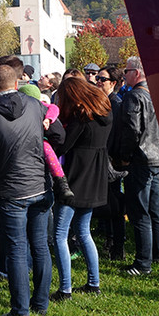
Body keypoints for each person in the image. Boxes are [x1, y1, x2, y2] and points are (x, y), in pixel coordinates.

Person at [0, 64, 52, 316]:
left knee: (17, 250)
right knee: (39, 245)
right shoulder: (34, 104)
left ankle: (21, 312)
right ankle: (39, 303)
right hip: (38, 183)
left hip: (11, 188)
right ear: (17, 83)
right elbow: (57, 134)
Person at [50, 77, 112, 300]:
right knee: (84, 232)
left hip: (76, 179)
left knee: (59, 235)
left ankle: (65, 288)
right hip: (95, 178)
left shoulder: (81, 118)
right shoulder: (105, 112)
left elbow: (63, 146)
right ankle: (93, 283)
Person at [109, 56, 159, 275]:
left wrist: (124, 156)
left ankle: (143, 263)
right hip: (157, 158)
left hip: (141, 159)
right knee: (155, 209)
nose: (124, 74)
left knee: (140, 212)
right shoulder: (155, 94)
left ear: (137, 72)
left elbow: (131, 130)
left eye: (127, 70)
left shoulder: (134, 96)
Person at [96, 66, 128, 259]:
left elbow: (116, 135)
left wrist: (115, 158)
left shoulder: (115, 103)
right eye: (98, 78)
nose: (98, 81)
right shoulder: (105, 101)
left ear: (113, 84)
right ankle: (110, 240)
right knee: (107, 201)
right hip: (104, 159)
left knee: (114, 204)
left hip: (112, 161)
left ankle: (118, 245)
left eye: (102, 79)